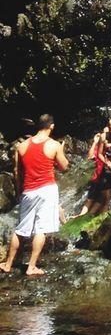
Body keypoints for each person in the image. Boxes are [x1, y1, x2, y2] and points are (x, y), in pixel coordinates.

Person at [0, 115, 69, 276]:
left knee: (20, 229)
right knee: (41, 229)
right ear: (51, 126)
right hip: (47, 190)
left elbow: (17, 172)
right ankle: (31, 266)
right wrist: (62, 151)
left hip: (28, 191)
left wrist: (19, 191)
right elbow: (65, 166)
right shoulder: (54, 145)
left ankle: (8, 264)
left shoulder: (21, 146)